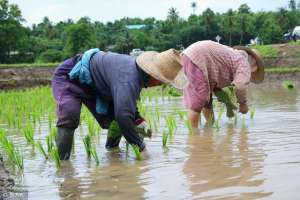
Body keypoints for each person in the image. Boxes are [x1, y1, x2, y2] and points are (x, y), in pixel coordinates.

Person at [52, 48, 185, 160]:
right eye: (161, 81)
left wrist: (138, 120)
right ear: (154, 75)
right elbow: (123, 115)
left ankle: (112, 151)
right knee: (70, 114)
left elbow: (127, 104)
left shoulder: (135, 74)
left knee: (115, 119)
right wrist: (140, 146)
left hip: (94, 85)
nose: (159, 85)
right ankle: (63, 164)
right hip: (70, 76)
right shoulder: (129, 78)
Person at [181, 40, 264, 128]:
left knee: (206, 99)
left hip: (190, 56)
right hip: (197, 57)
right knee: (198, 101)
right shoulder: (244, 63)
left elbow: (216, 89)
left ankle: (209, 128)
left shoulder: (233, 57)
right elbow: (241, 86)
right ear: (254, 63)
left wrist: (228, 105)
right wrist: (243, 104)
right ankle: (193, 135)